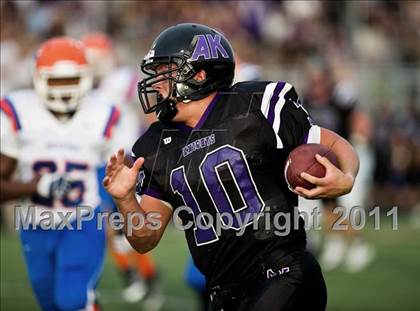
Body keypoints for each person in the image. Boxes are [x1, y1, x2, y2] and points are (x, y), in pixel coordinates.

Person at [103, 23, 359, 311]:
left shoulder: (253, 106)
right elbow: (145, 238)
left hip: (283, 273)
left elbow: (335, 143)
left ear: (198, 74)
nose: (156, 82)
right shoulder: (156, 144)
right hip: (223, 293)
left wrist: (347, 177)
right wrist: (124, 199)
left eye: (165, 72)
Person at [0, 37, 121, 311]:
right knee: (52, 304)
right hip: (34, 224)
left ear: (86, 78)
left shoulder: (103, 113)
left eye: (70, 80)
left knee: (72, 299)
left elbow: (116, 175)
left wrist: (120, 217)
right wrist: (36, 185)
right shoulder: (19, 111)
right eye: (55, 81)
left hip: (83, 221)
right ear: (39, 79)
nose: (64, 89)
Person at [82, 32, 163, 307]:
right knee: (105, 226)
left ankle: (148, 277)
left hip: (127, 159)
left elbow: (147, 105)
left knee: (130, 223)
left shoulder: (121, 79)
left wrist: (156, 139)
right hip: (99, 162)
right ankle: (131, 275)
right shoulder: (86, 88)